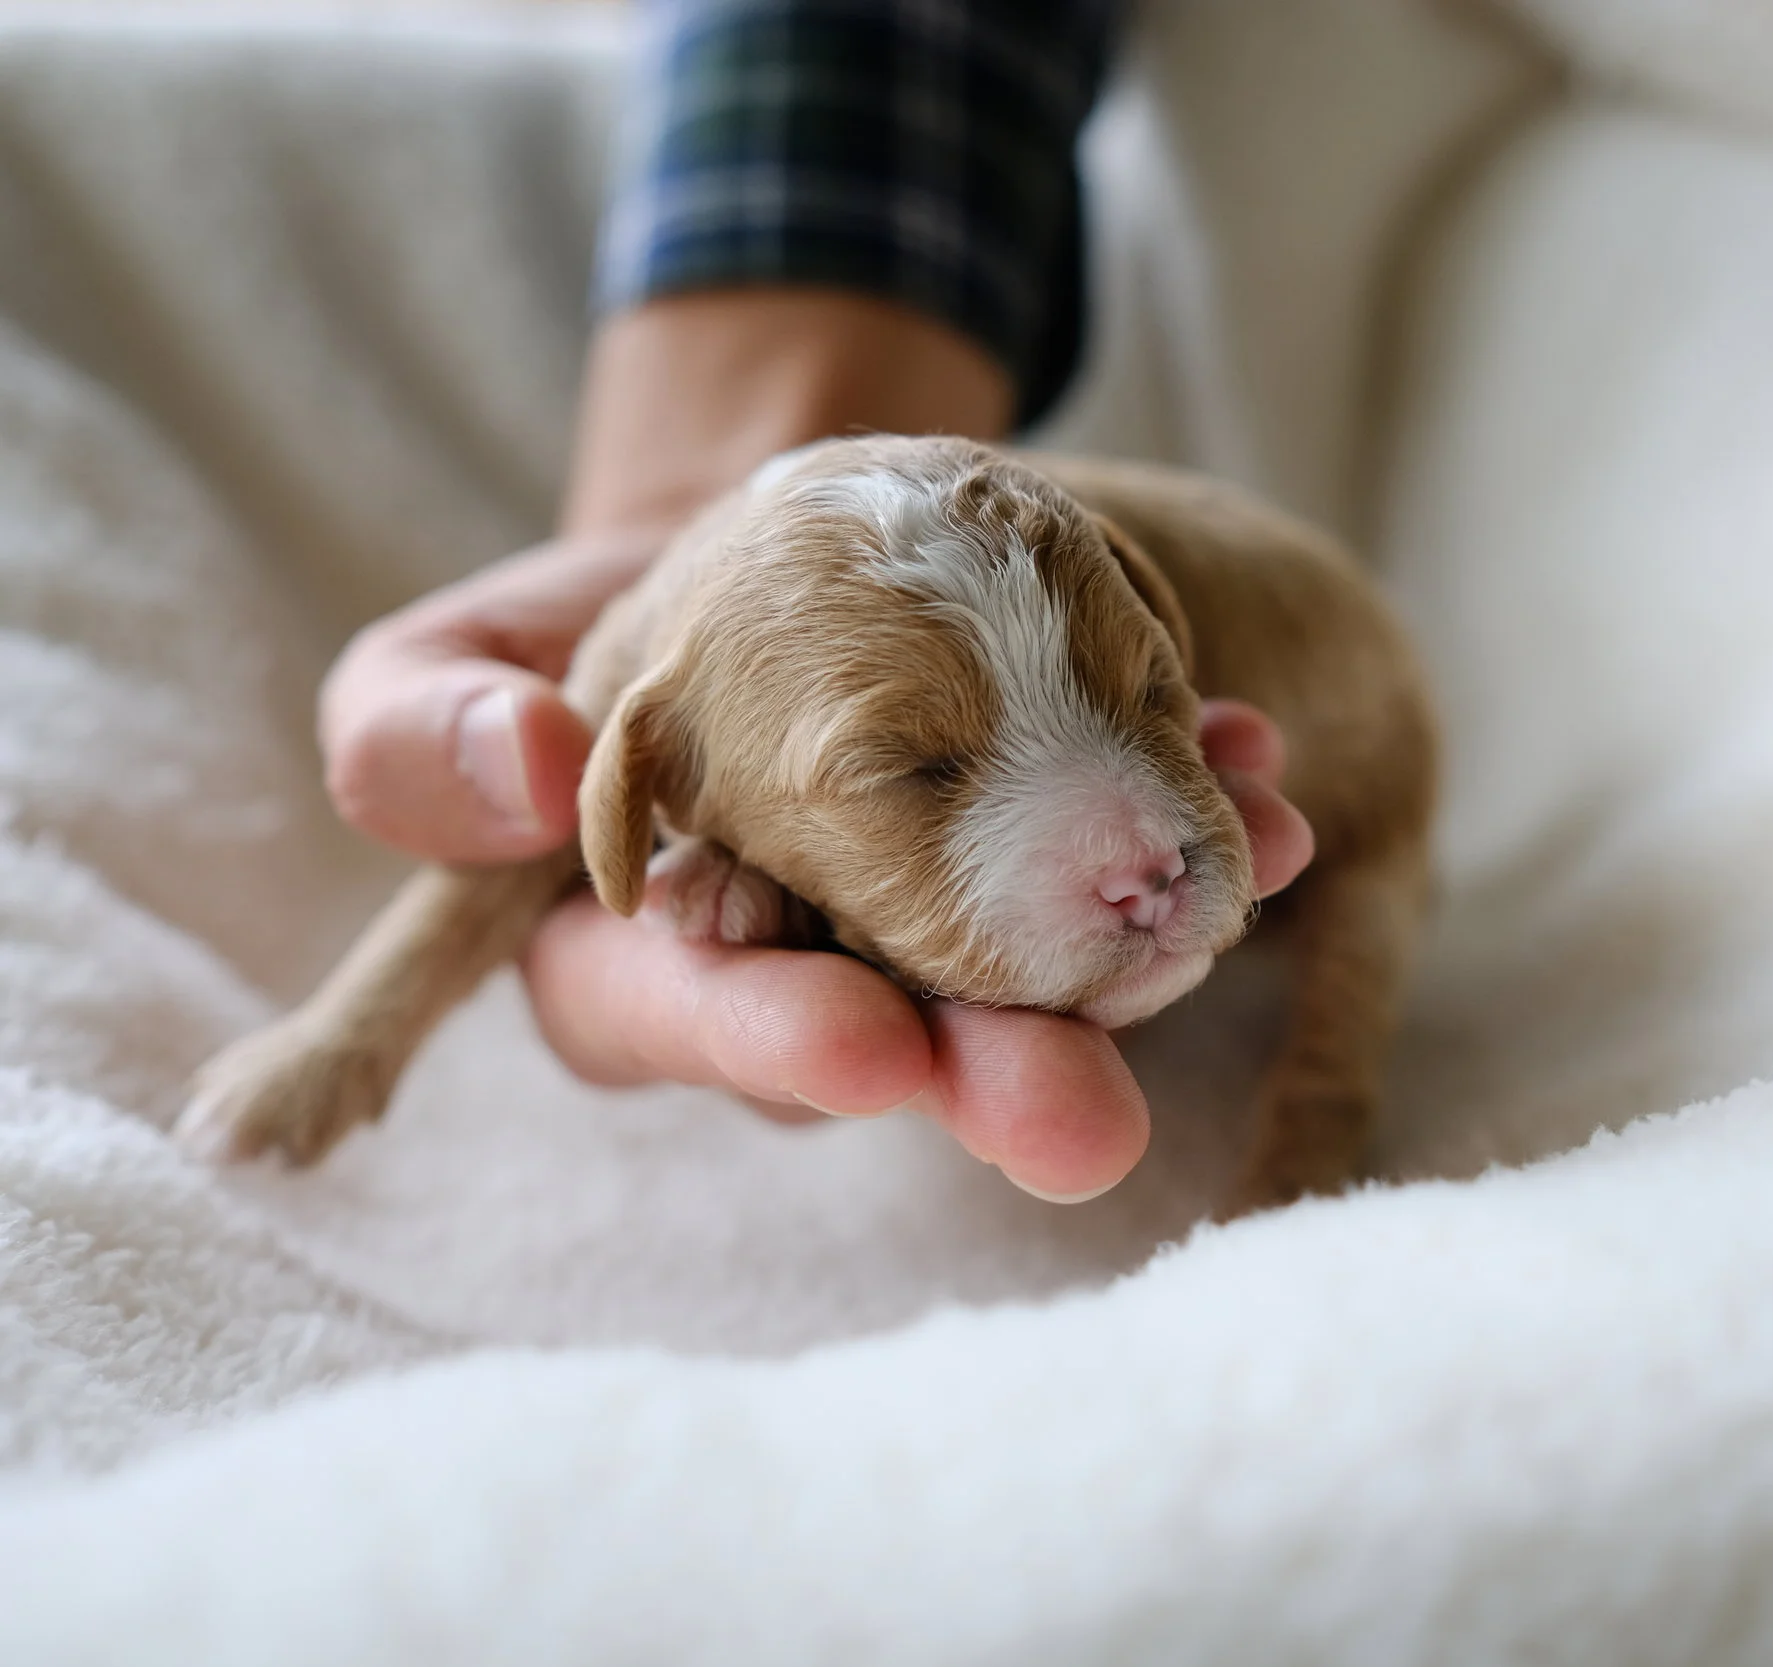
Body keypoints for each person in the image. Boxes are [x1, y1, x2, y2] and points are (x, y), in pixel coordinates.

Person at [312, 0, 1314, 1203]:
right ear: (640, 791)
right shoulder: (659, 707)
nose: (1146, 860)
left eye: (1156, 687)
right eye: (916, 770)